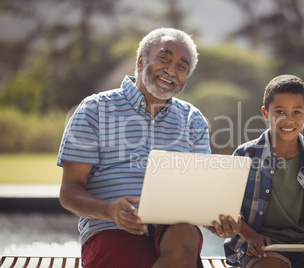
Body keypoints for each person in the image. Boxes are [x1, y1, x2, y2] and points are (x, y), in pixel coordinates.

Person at [57, 28, 212, 268]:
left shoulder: (193, 118)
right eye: (164, 58)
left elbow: (201, 195)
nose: (172, 70)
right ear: (141, 61)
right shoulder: (95, 109)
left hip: (173, 230)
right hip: (110, 229)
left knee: (186, 235)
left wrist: (217, 221)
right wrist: (109, 210)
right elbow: (69, 191)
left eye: (182, 66)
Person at [206, 75, 304, 268]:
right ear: (265, 113)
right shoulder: (245, 155)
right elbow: (227, 207)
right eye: (279, 111)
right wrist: (251, 235)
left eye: (296, 112)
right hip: (259, 247)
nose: (288, 120)